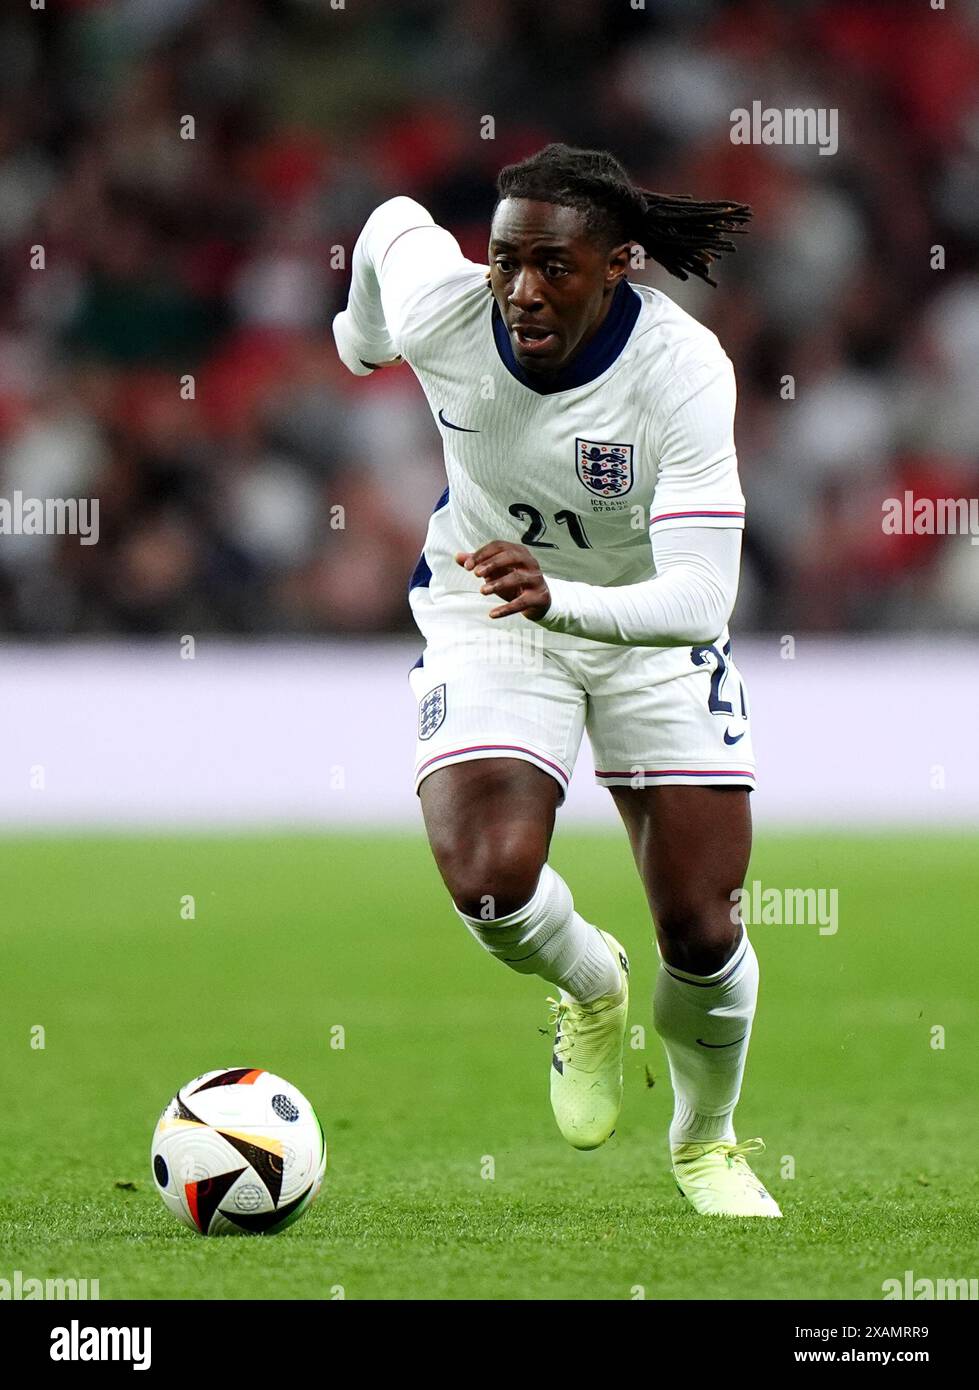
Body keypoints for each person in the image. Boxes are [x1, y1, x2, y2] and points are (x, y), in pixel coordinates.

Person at [333, 143, 780, 1216]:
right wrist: (359, 337)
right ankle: (589, 987)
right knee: (489, 877)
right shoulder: (449, 311)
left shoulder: (682, 370)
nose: (522, 290)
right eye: (505, 261)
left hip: (642, 624)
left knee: (704, 928)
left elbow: (702, 601)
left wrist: (564, 597)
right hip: (492, 608)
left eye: (555, 268)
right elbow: (390, 214)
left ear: (619, 263)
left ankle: (706, 1142)